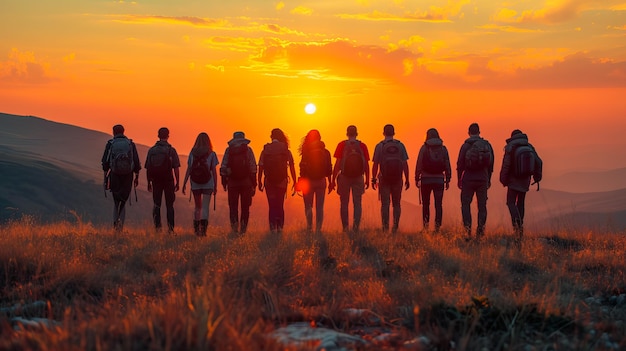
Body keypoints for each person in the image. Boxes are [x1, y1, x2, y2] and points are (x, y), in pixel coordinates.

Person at [499, 129, 543, 242]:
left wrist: (503, 179)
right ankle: (520, 227)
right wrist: (537, 177)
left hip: (513, 180)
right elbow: (539, 162)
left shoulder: (510, 147)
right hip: (525, 180)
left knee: (510, 202)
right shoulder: (529, 146)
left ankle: (516, 225)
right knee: (520, 203)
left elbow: (506, 165)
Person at [329, 125, 370, 233]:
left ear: (347, 133)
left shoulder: (342, 145)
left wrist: (333, 180)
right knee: (357, 203)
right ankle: (356, 228)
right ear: (357, 133)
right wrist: (367, 179)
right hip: (358, 177)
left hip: (344, 177)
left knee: (344, 203)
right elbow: (366, 164)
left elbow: (337, 164)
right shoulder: (362, 146)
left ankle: (345, 228)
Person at [456, 122, 494, 241]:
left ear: (469, 132)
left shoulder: (465, 146)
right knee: (482, 206)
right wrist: (488, 178)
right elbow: (491, 164)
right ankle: (480, 232)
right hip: (482, 179)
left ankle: (467, 232)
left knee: (465, 204)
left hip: (468, 179)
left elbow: (460, 164)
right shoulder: (486, 145)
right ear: (479, 132)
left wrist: (459, 179)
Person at [101, 124, 141, 232]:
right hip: (128, 175)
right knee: (123, 202)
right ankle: (121, 227)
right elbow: (136, 162)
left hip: (115, 174)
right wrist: (137, 177)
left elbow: (105, 163)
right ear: (123, 131)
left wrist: (105, 179)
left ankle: (115, 225)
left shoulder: (110, 144)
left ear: (113, 132)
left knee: (116, 201)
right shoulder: (130, 144)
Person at [371, 124, 410, 233]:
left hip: (384, 179)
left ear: (383, 133)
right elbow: (405, 163)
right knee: (397, 203)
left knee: (385, 204)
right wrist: (407, 179)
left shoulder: (380, 146)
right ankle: (395, 227)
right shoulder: (400, 145)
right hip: (398, 179)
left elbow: (375, 164)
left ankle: (385, 228)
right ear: (394, 133)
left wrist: (373, 178)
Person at [258, 128, 297, 233]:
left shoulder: (266, 149)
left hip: (269, 182)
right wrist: (295, 181)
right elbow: (292, 166)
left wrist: (259, 181)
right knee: (280, 204)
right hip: (282, 182)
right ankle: (280, 229)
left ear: (271, 137)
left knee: (272, 205)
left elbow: (260, 166)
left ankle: (272, 229)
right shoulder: (285, 150)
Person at [414, 128, 452, 232]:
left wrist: (417, 177)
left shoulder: (424, 148)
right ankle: (437, 228)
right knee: (438, 204)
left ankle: (425, 228)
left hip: (426, 180)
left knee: (426, 204)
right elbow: (447, 164)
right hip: (439, 180)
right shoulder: (443, 148)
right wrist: (448, 179)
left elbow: (419, 164)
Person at [182, 132, 219, 236]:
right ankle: (203, 231)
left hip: (195, 183)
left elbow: (189, 169)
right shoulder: (211, 153)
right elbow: (214, 171)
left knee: (198, 206)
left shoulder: (192, 153)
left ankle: (196, 230)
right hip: (208, 183)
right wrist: (215, 185)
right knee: (205, 207)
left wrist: (184, 183)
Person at [145, 127, 181, 234]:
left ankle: (158, 228)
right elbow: (176, 168)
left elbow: (148, 167)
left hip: (156, 180)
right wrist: (177, 182)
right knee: (170, 205)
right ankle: (170, 229)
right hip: (168, 180)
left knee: (157, 204)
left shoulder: (152, 150)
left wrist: (148, 182)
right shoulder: (171, 150)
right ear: (168, 136)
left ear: (158, 136)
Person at [220, 131, 257, 235]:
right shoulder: (248, 150)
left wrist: (224, 182)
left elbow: (223, 167)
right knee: (245, 207)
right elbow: (253, 167)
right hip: (246, 183)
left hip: (232, 183)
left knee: (233, 207)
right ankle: (243, 230)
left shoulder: (229, 150)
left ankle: (234, 229)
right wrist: (254, 184)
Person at [297, 130, 333, 233]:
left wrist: (301, 180)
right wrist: (330, 182)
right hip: (321, 181)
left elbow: (302, 167)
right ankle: (318, 229)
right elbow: (329, 169)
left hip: (308, 181)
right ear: (320, 138)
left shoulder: (306, 151)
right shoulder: (326, 152)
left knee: (308, 206)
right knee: (319, 207)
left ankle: (309, 227)